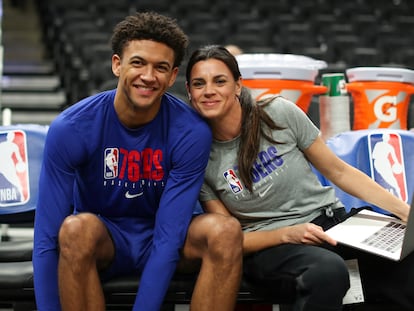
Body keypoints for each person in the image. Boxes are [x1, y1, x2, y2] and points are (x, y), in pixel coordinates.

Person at [33, 14, 243, 311]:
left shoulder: (191, 131)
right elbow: (46, 240)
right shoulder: (72, 127)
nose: (148, 76)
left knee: (225, 232)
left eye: (160, 67)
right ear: (117, 64)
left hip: (169, 236)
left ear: (172, 77)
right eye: (138, 63)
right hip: (105, 238)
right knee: (74, 230)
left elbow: (168, 237)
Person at [185, 45, 414, 310]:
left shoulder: (277, 112)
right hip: (270, 247)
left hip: (331, 224)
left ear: (238, 85)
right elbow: (231, 238)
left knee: (407, 258)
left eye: (219, 81)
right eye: (199, 84)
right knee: (327, 271)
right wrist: (287, 234)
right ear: (189, 92)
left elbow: (338, 171)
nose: (209, 91)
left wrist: (404, 213)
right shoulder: (198, 156)